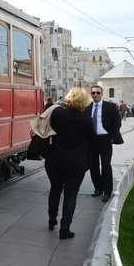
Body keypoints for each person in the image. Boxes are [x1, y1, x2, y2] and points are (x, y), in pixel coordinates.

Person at [43, 87, 94, 240]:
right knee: (71, 195)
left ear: (68, 99)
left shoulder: (57, 114)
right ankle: (65, 229)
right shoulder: (86, 120)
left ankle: (52, 220)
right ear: (85, 102)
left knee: (55, 189)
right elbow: (92, 140)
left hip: (54, 160)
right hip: (76, 163)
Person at [84, 85, 122, 202]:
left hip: (105, 139)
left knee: (106, 165)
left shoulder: (110, 107)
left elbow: (117, 123)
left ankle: (107, 191)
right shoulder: (87, 108)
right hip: (92, 140)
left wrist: (111, 137)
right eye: (93, 93)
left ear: (102, 94)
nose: (95, 95)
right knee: (93, 166)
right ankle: (98, 189)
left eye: (98, 93)